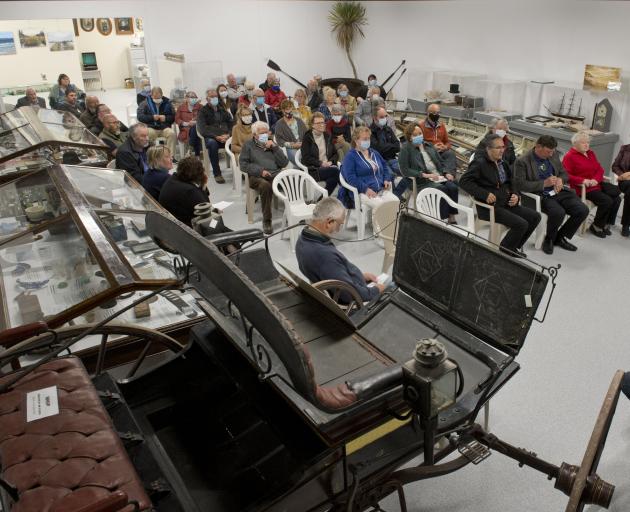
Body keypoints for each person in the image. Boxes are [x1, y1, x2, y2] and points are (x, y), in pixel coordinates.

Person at [461, 134, 541, 257]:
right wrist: (484, 194)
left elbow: (511, 182)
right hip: (490, 207)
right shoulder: (479, 164)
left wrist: (515, 194)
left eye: (503, 147)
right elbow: (464, 182)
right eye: (498, 148)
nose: (502, 150)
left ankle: (514, 245)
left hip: (505, 202)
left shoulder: (502, 163)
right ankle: (506, 248)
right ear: (488, 149)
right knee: (522, 224)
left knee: (535, 217)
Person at [296, 197, 385, 304]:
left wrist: (360, 276)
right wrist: (376, 290)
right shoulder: (325, 256)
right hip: (350, 297)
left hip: (346, 282)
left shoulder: (302, 239)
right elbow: (349, 295)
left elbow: (333, 272)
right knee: (390, 287)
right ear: (329, 222)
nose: (338, 230)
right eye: (339, 225)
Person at [514, 135, 589, 255]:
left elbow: (565, 174)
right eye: (548, 151)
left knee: (582, 210)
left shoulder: (553, 155)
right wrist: (543, 183)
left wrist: (560, 179)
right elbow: (520, 185)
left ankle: (559, 237)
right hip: (540, 195)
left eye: (552, 151)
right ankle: (549, 239)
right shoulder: (522, 161)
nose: (551, 154)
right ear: (538, 147)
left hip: (558, 191)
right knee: (558, 212)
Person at [562, 131, 622, 239]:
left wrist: (595, 179)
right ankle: (597, 226)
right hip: (584, 188)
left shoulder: (590, 153)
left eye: (588, 142)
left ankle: (606, 224)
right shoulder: (569, 157)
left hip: (596, 184)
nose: (586, 145)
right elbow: (566, 176)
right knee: (607, 201)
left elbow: (599, 169)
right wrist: (583, 180)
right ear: (575, 144)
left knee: (617, 198)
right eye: (583, 143)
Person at [396, 124, 459, 221]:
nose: (418, 136)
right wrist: (424, 175)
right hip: (422, 180)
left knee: (453, 187)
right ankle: (442, 219)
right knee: (442, 189)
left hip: (438, 176)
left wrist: (446, 172)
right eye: (415, 135)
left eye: (420, 133)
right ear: (409, 137)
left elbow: (440, 162)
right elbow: (405, 170)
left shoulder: (428, 145)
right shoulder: (405, 149)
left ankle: (451, 216)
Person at [239, 121, 289, 234]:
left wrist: (275, 148)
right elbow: (243, 165)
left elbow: (284, 163)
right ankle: (267, 221)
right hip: (257, 177)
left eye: (266, 132)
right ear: (255, 135)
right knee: (265, 186)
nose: (264, 135)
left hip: (275, 173)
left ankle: (293, 213)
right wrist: (260, 171)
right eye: (261, 133)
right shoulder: (248, 145)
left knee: (291, 180)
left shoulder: (272, 143)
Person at [339, 126, 399, 213]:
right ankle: (379, 226)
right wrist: (365, 189)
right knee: (381, 207)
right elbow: (351, 178)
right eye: (364, 139)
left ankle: (392, 226)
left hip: (380, 189)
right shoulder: (350, 156)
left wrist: (386, 179)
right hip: (361, 191)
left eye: (368, 138)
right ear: (356, 140)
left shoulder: (374, 152)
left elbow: (384, 165)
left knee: (395, 202)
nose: (367, 141)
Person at [158, 156, 211, 226]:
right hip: (189, 228)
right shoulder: (189, 191)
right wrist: (203, 184)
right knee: (216, 223)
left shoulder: (172, 179)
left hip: (172, 224)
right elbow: (206, 209)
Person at [196, 89, 233, 183]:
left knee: (237, 142)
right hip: (212, 138)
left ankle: (239, 170)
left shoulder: (222, 109)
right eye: (212, 97)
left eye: (216, 96)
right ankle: (217, 173)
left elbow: (231, 123)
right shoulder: (203, 111)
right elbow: (202, 129)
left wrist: (229, 134)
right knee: (212, 144)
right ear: (207, 99)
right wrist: (216, 137)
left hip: (226, 136)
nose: (214, 98)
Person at [300, 112, 340, 197]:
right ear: (312, 125)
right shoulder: (307, 138)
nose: (322, 125)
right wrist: (321, 163)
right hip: (314, 169)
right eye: (318, 123)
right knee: (336, 172)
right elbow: (306, 158)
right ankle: (347, 198)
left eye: (323, 122)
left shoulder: (327, 136)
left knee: (335, 176)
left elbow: (335, 154)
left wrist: (331, 162)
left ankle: (322, 200)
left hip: (328, 167)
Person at [137, 87, 176, 156]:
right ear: (151, 95)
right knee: (149, 134)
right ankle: (153, 156)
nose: (157, 99)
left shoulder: (168, 103)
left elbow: (173, 117)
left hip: (164, 128)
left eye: (159, 97)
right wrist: (152, 117)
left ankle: (170, 156)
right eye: (155, 98)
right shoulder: (145, 103)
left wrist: (166, 118)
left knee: (172, 134)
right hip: (151, 127)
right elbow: (140, 117)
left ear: (162, 95)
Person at [419, 104, 458, 173]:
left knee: (451, 154)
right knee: (438, 161)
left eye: (438, 113)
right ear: (428, 113)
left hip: (441, 151)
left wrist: (445, 147)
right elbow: (419, 144)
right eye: (434, 113)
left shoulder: (441, 125)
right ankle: (444, 173)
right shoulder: (421, 126)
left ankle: (449, 174)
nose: (436, 115)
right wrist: (432, 148)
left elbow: (447, 142)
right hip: (429, 152)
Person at [274, 99, 307, 164]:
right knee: (298, 159)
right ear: (283, 110)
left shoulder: (299, 121)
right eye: (287, 109)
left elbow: (307, 134)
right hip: (290, 148)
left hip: (303, 145)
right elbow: (279, 140)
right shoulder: (279, 124)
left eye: (291, 108)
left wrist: (303, 143)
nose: (289, 111)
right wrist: (292, 145)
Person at [370, 106, 401, 177]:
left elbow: (397, 146)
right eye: (381, 117)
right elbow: (378, 150)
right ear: (374, 118)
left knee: (406, 171)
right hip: (379, 161)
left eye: (385, 116)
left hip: (392, 158)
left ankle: (399, 189)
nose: (384, 119)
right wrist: (390, 146)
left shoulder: (388, 129)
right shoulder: (370, 132)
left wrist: (385, 146)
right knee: (390, 175)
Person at [611, 141, 630, 236]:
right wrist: (623, 175)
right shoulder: (625, 148)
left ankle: (626, 224)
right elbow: (615, 166)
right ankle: (626, 224)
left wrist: (629, 174)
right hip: (624, 181)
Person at [175, 91, 202, 156]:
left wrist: (196, 122)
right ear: (187, 98)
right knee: (193, 132)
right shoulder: (181, 107)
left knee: (195, 130)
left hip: (198, 128)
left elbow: (204, 118)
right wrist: (186, 123)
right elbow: (177, 119)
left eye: (195, 97)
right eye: (192, 97)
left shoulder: (200, 107)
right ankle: (196, 155)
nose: (194, 99)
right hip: (185, 129)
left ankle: (190, 149)